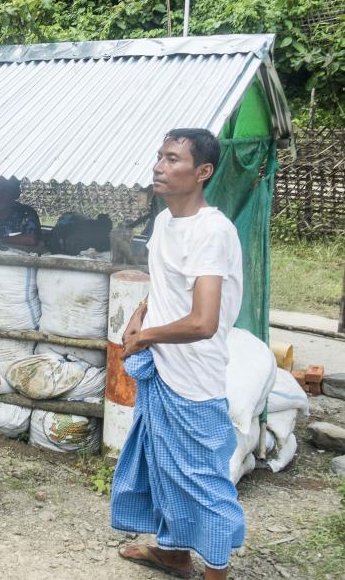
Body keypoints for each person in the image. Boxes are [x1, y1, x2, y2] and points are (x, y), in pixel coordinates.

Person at [111, 128, 244, 580]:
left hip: (194, 377)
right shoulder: (166, 221)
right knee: (163, 466)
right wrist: (139, 315)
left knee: (204, 481)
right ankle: (173, 552)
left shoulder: (212, 232)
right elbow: (165, 284)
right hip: (165, 368)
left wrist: (147, 338)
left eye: (172, 159)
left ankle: (217, 572)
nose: (158, 166)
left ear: (202, 172)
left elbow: (203, 322)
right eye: (159, 157)